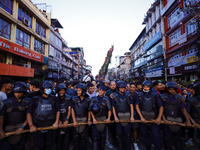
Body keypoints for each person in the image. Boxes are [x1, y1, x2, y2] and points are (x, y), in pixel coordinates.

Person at [27, 80, 60, 150]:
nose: (51, 90)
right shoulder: (35, 99)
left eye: (51, 88)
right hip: (38, 128)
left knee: (49, 146)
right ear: (43, 89)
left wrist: (56, 122)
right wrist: (31, 125)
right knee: (38, 147)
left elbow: (58, 110)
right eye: (49, 88)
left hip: (51, 127)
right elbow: (29, 112)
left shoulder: (54, 99)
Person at [160, 82, 191, 150]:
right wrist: (164, 119)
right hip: (167, 121)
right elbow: (161, 109)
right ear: (167, 89)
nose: (172, 91)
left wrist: (187, 120)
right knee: (167, 139)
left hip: (178, 120)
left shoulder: (179, 98)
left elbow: (183, 109)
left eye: (174, 89)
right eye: (170, 89)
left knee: (178, 140)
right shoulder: (163, 97)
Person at [0, 82, 31, 150]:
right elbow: (1, 116)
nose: (17, 94)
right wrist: (1, 129)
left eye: (19, 92)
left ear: (23, 92)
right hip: (8, 129)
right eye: (15, 92)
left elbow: (29, 115)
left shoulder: (27, 102)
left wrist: (22, 127)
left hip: (22, 130)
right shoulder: (7, 102)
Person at [135, 80, 163, 150]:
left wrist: (159, 118)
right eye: (144, 86)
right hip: (143, 120)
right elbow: (137, 106)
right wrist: (141, 117)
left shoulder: (155, 95)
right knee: (145, 137)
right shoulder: (140, 95)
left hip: (154, 120)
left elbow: (161, 106)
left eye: (147, 87)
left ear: (150, 87)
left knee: (156, 137)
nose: (145, 88)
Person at [112, 81, 134, 150]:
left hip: (127, 117)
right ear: (118, 88)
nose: (123, 89)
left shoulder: (128, 95)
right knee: (119, 134)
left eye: (124, 87)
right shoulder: (115, 96)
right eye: (121, 87)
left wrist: (132, 116)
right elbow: (113, 107)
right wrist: (115, 117)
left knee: (127, 135)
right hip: (118, 117)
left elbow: (131, 106)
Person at [71, 83, 91, 150]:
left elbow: (89, 110)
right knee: (75, 138)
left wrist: (88, 120)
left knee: (83, 138)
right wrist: (74, 120)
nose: (77, 91)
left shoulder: (88, 100)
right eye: (77, 90)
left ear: (83, 91)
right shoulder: (74, 99)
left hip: (84, 120)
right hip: (76, 119)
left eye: (79, 90)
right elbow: (72, 110)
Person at [56, 83, 71, 150]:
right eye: (60, 90)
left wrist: (67, 120)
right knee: (58, 141)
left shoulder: (68, 98)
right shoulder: (55, 99)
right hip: (58, 122)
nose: (62, 92)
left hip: (66, 121)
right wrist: (58, 121)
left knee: (66, 141)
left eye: (63, 90)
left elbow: (69, 109)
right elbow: (55, 110)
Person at [129, 82, 139, 150]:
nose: (132, 88)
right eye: (131, 87)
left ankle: (135, 143)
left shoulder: (137, 95)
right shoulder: (126, 94)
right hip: (127, 114)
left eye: (133, 87)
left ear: (135, 88)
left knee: (135, 128)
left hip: (135, 114)